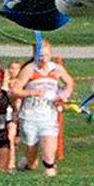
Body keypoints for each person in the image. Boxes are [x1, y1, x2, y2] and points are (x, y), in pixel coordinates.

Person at [10, 40, 73, 177]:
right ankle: (22, 164)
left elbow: (70, 83)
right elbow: (15, 91)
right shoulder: (29, 69)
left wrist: (64, 95)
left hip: (49, 116)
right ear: (34, 55)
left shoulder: (56, 69)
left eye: (46, 55)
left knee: (49, 159)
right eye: (41, 56)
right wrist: (32, 93)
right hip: (30, 116)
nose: (44, 59)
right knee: (32, 162)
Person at [0, 63, 11, 173]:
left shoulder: (6, 96)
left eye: (0, 82)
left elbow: (15, 111)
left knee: (2, 172)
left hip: (2, 137)